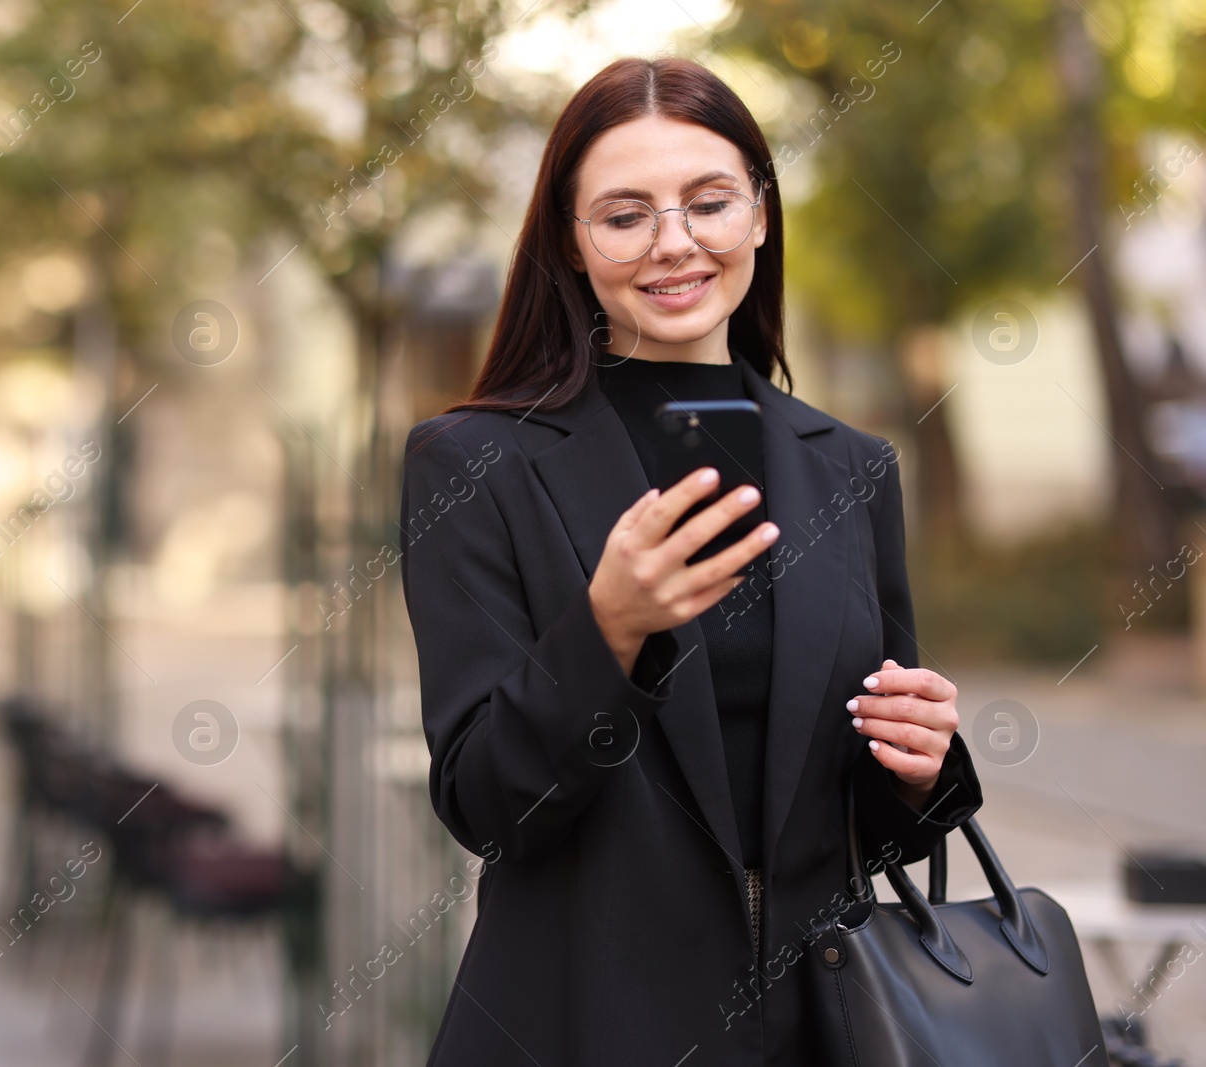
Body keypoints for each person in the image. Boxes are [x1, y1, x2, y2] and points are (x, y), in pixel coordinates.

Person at [397, 55, 984, 1066]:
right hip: (578, 1026)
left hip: (815, 1030)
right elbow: (488, 806)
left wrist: (918, 762)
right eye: (624, 216)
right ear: (571, 247)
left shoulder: (850, 465)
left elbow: (864, 822)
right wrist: (609, 627)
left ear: (759, 214)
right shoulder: (473, 461)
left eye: (707, 202)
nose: (673, 243)